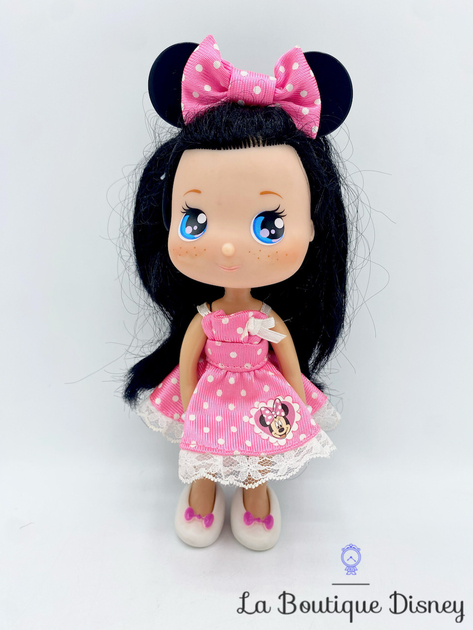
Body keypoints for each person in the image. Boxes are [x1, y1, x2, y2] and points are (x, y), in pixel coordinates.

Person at [124, 35, 353, 550]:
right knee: (204, 452)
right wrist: (188, 395)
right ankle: (201, 494)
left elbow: (286, 355)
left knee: (257, 455)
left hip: (260, 394)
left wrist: (297, 391)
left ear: (313, 227)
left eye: (270, 225)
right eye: (196, 220)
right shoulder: (205, 315)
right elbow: (189, 355)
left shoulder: (265, 315)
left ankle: (256, 496)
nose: (228, 247)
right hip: (210, 393)